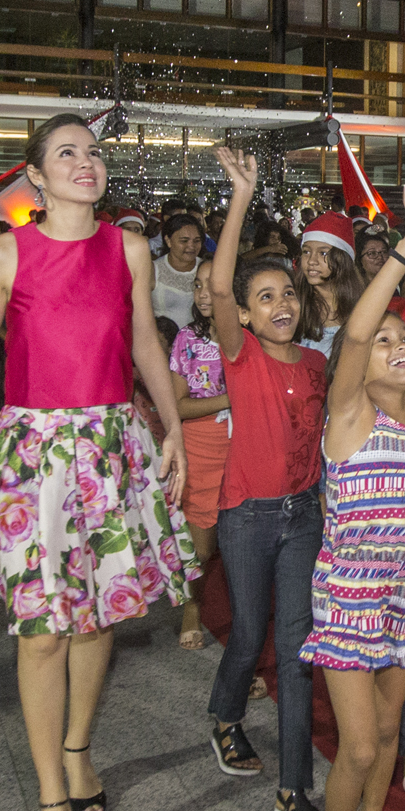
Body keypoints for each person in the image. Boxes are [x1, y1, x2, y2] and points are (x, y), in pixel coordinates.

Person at [0, 112, 197, 811]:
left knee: (99, 613)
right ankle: (50, 800)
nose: (86, 162)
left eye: (94, 151)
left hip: (109, 448)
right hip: (34, 456)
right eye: (66, 152)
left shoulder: (129, 248)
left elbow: (145, 341)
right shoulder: (5, 252)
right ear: (35, 175)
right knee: (42, 631)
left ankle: (78, 747)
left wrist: (171, 425)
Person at [302, 178, 405, 811]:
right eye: (386, 338)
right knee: (357, 742)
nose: (394, 346)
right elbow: (352, 338)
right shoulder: (349, 410)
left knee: (390, 733)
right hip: (348, 591)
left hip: (404, 593)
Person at [202, 147, 331, 811]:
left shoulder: (316, 362)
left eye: (286, 293)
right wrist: (242, 200)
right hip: (247, 516)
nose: (280, 303)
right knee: (249, 633)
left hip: (304, 515)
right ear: (245, 317)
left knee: (296, 649)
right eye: (265, 297)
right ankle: (225, 711)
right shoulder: (240, 354)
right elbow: (220, 287)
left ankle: (294, 788)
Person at [168, 258, 230, 649]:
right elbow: (177, 404)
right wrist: (230, 399)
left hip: (243, 446)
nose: (204, 293)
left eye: (213, 284)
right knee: (202, 547)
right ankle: (192, 607)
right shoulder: (186, 340)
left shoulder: (251, 334)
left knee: (241, 544)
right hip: (201, 449)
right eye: (197, 285)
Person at [296, 211, 364, 357]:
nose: (311, 261)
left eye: (323, 253)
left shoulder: (361, 310)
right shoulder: (292, 305)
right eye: (306, 252)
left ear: (342, 259)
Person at [152, 212, 205, 327]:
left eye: (196, 241)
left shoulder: (205, 269)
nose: (191, 246)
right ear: (168, 241)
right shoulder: (153, 270)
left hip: (198, 341)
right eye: (184, 241)